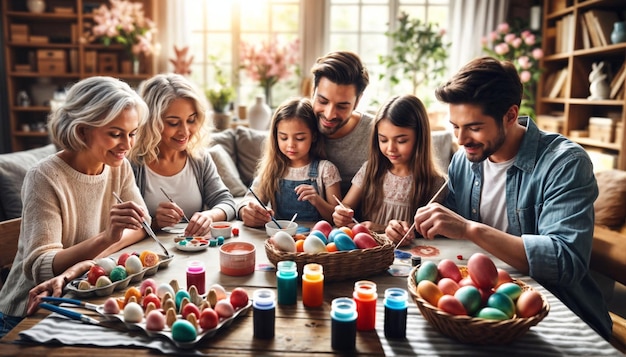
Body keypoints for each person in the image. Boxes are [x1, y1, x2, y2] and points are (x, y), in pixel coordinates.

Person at [388, 57, 612, 340]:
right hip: (485, 309)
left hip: (556, 314)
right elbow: (451, 234)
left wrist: (470, 228)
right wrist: (418, 229)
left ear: (510, 115)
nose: (460, 138)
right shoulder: (464, 160)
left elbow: (565, 261)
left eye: (474, 127)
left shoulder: (565, 163)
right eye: (455, 126)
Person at [0, 76, 150, 337]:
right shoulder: (44, 177)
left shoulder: (119, 166)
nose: (127, 145)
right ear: (82, 131)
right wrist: (107, 237)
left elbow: (143, 225)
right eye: (115, 134)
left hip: (82, 292)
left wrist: (84, 264)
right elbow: (42, 267)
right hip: (30, 312)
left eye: (132, 134)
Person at [239, 51, 373, 227]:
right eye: (323, 101)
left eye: (342, 106)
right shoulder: (301, 123)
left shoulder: (375, 133)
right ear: (313, 91)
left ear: (357, 101)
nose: (329, 114)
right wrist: (247, 210)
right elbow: (251, 197)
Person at [129, 73, 236, 237]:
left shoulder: (199, 158)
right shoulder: (132, 164)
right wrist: (155, 222)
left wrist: (210, 216)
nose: (185, 132)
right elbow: (122, 225)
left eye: (191, 120)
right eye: (173, 123)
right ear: (150, 121)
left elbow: (227, 202)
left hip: (194, 253)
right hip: (150, 256)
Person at [333, 94, 446, 235]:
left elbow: (430, 232)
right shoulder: (370, 169)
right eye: (383, 140)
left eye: (401, 141)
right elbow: (346, 205)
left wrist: (382, 228)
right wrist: (341, 214)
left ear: (420, 139)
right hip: (369, 252)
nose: (391, 148)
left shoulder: (436, 182)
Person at [239, 97, 341, 226]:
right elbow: (249, 199)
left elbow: (337, 217)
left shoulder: (326, 170)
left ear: (314, 136)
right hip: (279, 238)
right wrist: (249, 210)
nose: (291, 145)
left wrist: (317, 200)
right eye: (283, 137)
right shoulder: (273, 169)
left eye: (300, 138)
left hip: (317, 238)